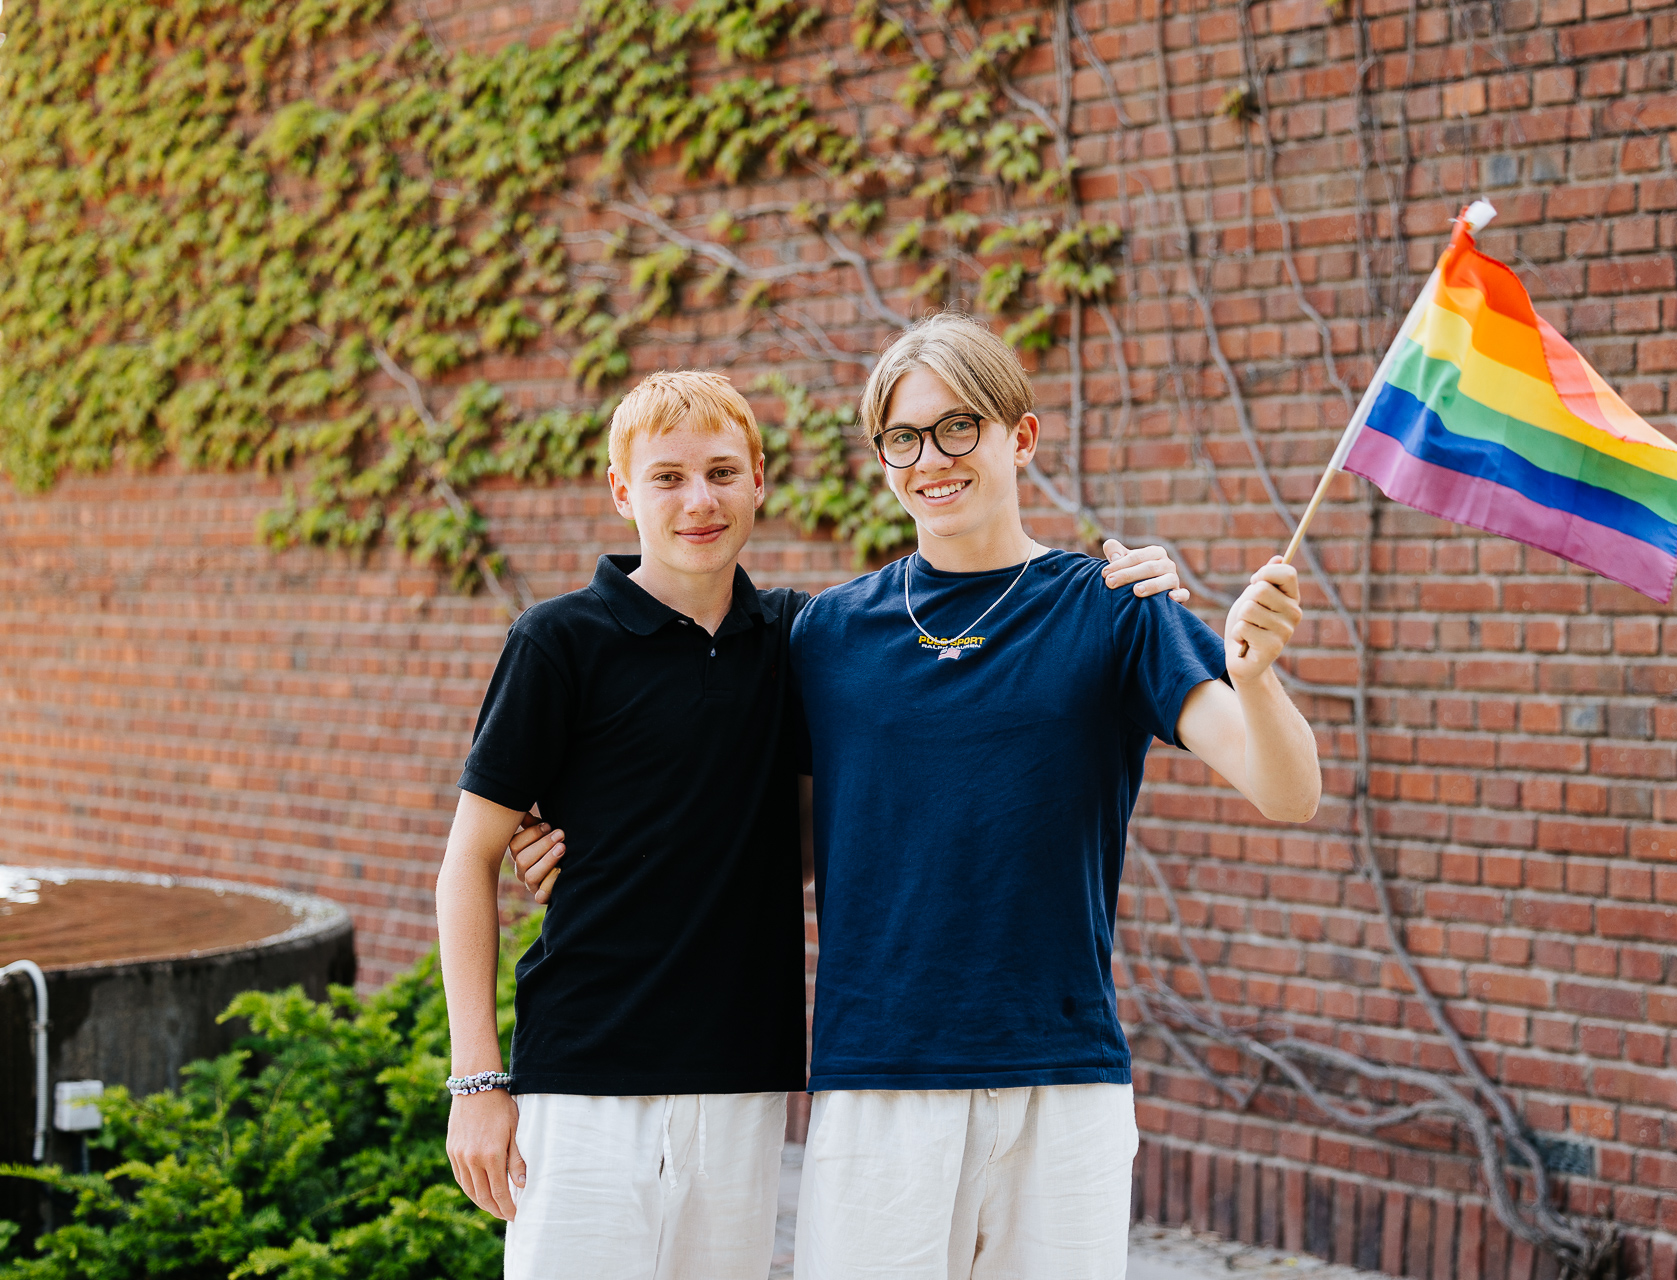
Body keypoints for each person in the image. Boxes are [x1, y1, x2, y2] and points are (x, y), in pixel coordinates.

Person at [437, 368, 1190, 1280]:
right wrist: (477, 1081)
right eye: (667, 478)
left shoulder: (801, 640)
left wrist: (1141, 578)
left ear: (759, 479)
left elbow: (814, 834)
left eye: (721, 472)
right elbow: (466, 861)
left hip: (745, 1076)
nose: (698, 500)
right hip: (583, 1070)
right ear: (620, 489)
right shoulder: (558, 642)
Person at [783, 312, 1321, 1280]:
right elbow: (743, 823)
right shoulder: (824, 635)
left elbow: (1285, 790)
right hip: (879, 1077)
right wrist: (565, 839)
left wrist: (1259, 673)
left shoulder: (1114, 606)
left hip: (1059, 1074)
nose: (928, 459)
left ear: (1017, 435)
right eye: (900, 438)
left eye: (958, 427)